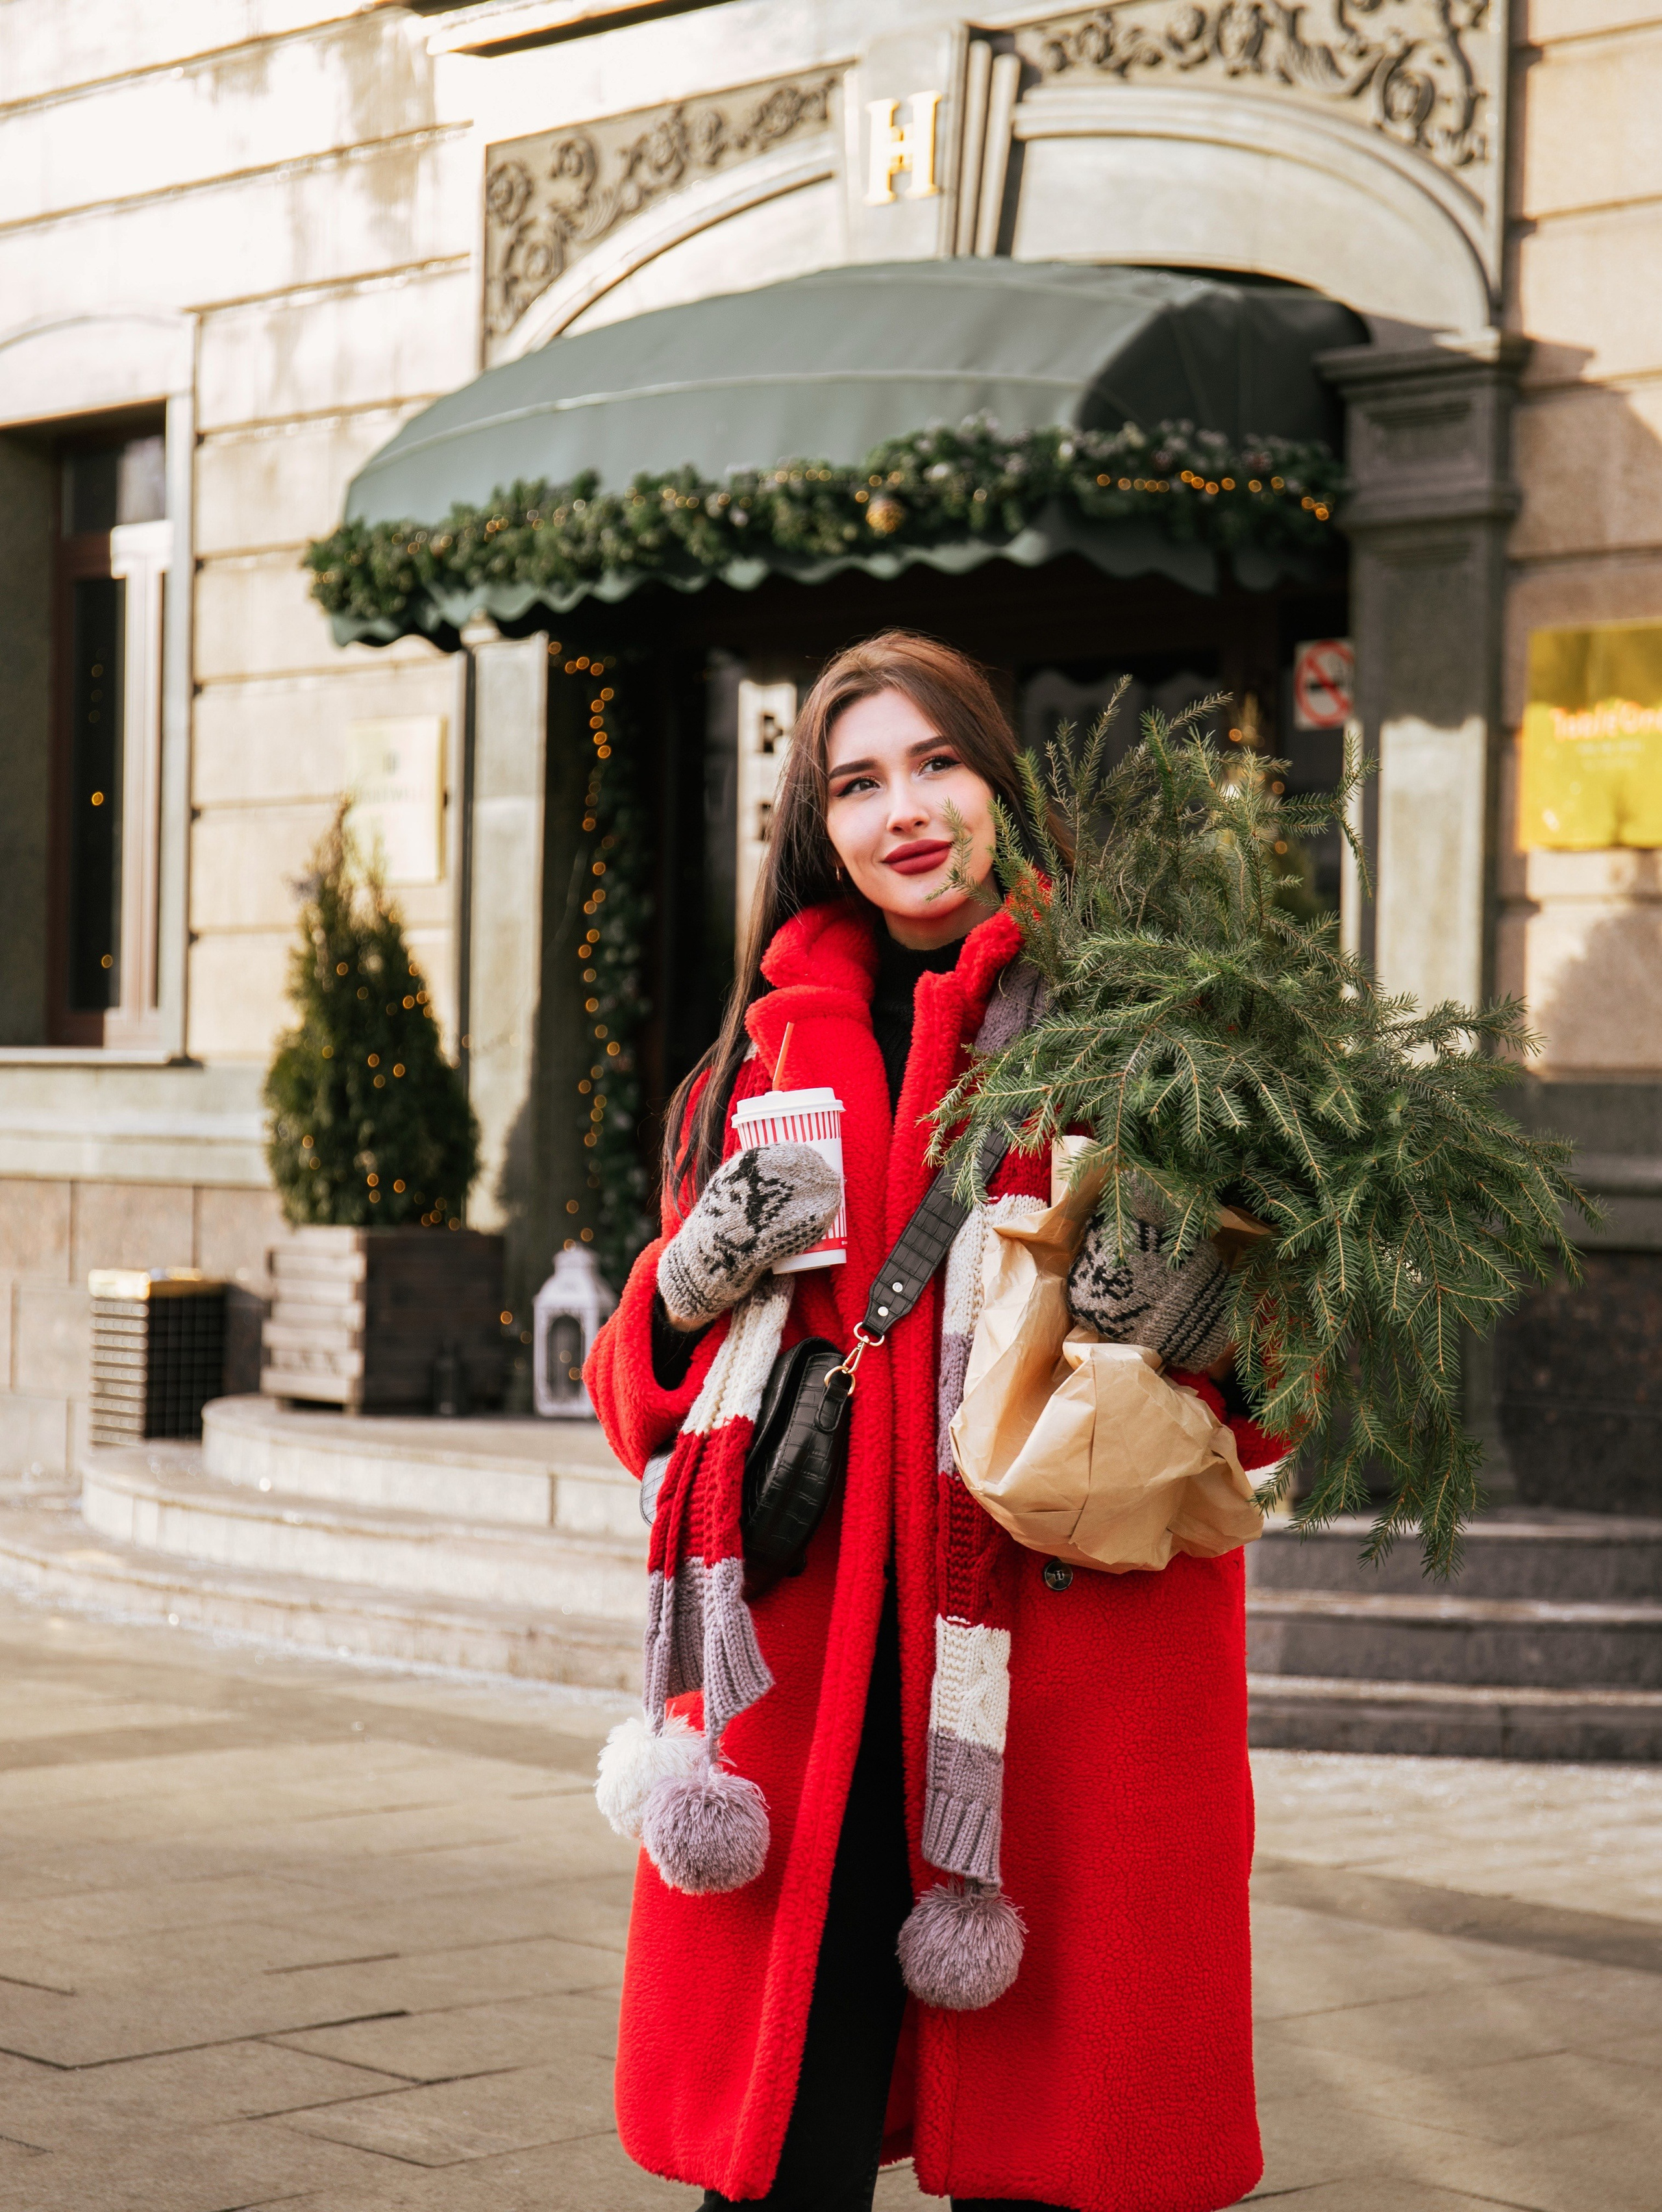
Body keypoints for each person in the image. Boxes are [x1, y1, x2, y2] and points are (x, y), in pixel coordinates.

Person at [586, 632, 1280, 2212]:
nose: (903, 810)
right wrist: (693, 1276)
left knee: (1051, 2142)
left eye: (935, 763)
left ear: (998, 783)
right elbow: (637, 1402)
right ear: (812, 826)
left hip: (1058, 1651)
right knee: (780, 2147)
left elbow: (1261, 1398)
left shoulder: (1138, 1031)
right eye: (854, 781)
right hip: (814, 1662)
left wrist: (1178, 1304)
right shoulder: (759, 1058)